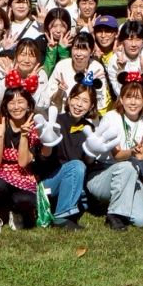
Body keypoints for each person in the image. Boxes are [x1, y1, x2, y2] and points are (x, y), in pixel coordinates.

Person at [84, 70, 143, 229]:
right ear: (121, 99)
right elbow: (117, 155)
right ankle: (115, 215)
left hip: (130, 176)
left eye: (137, 98)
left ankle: (115, 205)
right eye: (129, 97)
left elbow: (142, 155)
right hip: (102, 174)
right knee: (126, 166)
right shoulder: (111, 117)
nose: (133, 102)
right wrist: (131, 151)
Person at [0, 89, 45, 232]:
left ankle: (15, 212)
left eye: (20, 102)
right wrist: (0, 136)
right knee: (0, 185)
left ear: (28, 104)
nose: (16, 107)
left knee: (26, 200)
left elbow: (22, 162)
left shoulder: (35, 129)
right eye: (11, 103)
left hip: (22, 174)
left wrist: (24, 136)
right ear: (5, 106)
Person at [41, 82, 102, 228]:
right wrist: (47, 141)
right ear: (69, 99)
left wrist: (92, 151)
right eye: (76, 98)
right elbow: (43, 158)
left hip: (73, 181)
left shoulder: (88, 127)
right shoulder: (56, 122)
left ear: (91, 106)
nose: (79, 105)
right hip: (49, 181)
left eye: (85, 101)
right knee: (76, 166)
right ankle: (62, 216)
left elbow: (88, 162)